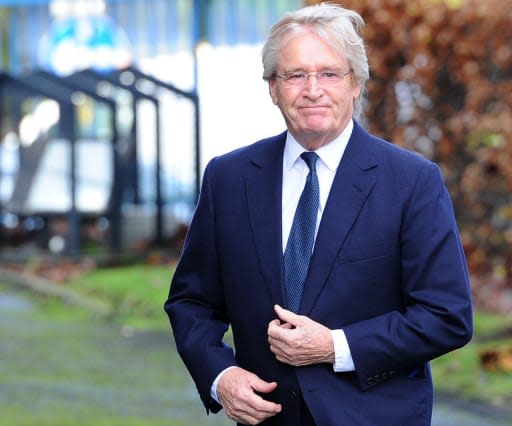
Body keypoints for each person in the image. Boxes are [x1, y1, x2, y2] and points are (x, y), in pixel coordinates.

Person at [165, 3, 473, 425]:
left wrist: (334, 346)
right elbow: (191, 302)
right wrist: (221, 376)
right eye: (295, 75)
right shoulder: (229, 178)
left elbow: (446, 316)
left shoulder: (411, 182)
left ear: (356, 85)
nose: (313, 89)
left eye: (329, 73)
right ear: (273, 88)